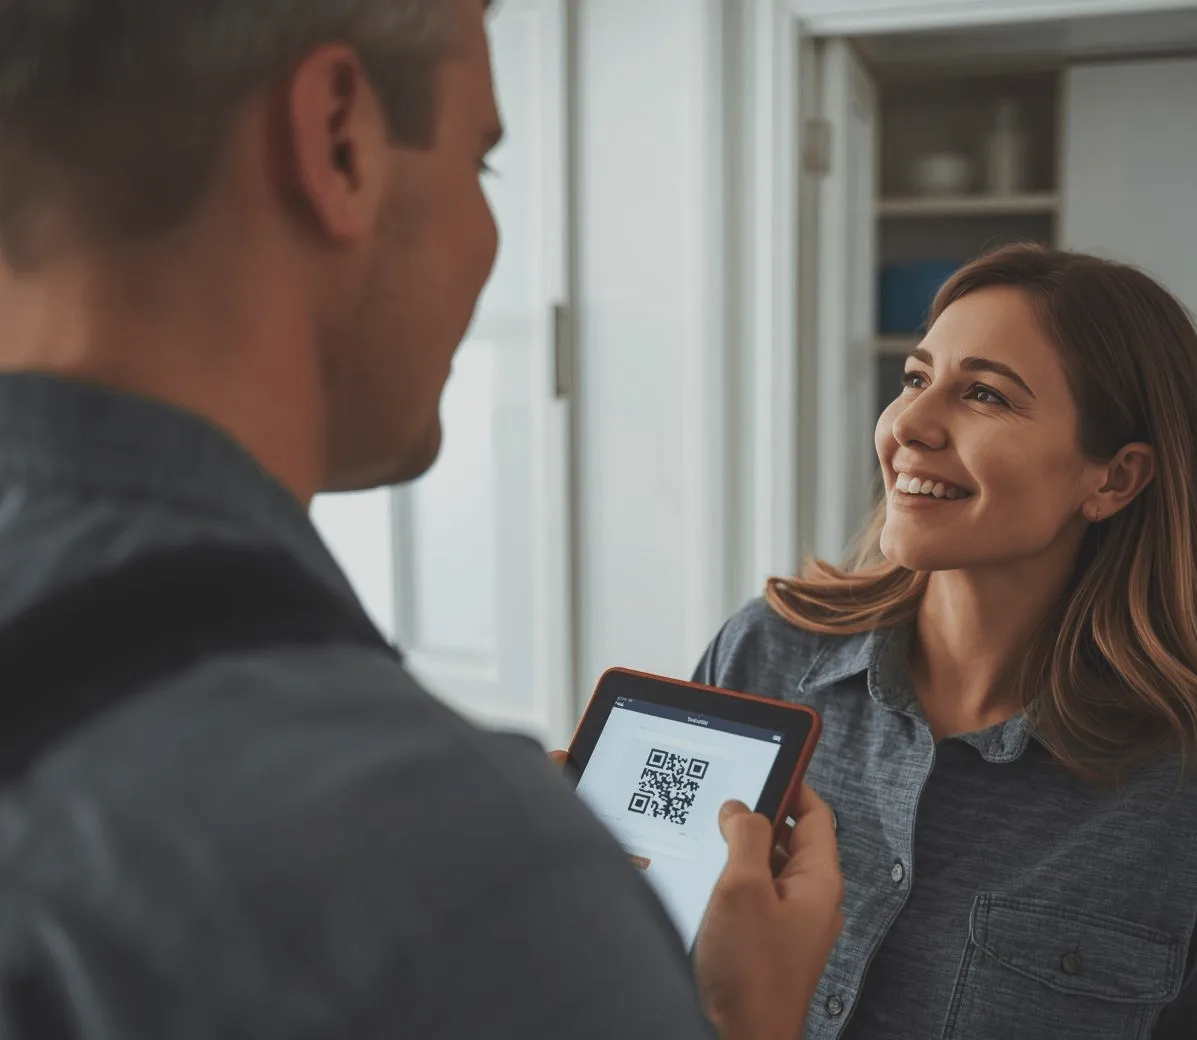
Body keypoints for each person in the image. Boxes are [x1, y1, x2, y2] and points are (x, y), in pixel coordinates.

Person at [0, 1, 844, 1037]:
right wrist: (739, 1017)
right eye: (481, 164)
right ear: (340, 141)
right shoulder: (461, 871)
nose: (490, 237)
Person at [694, 243, 1197, 1039]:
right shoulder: (762, 655)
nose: (908, 425)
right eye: (917, 378)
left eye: (984, 394)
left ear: (1115, 478)